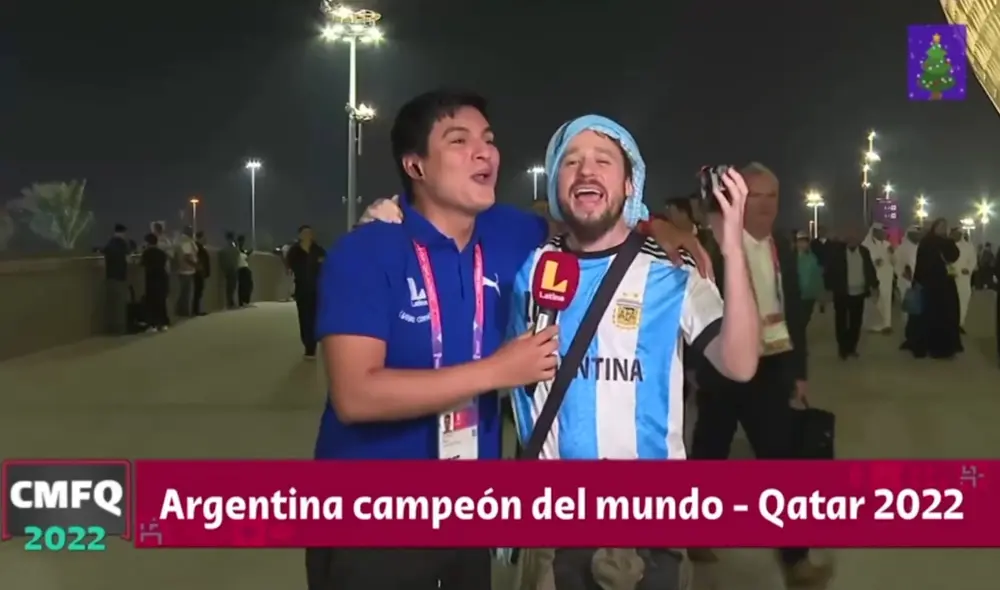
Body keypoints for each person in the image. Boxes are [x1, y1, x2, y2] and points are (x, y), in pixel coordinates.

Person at [313, 90, 704, 590]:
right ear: (415, 165)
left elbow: (593, 218)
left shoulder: (511, 234)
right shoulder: (366, 253)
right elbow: (355, 395)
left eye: (489, 140)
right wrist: (499, 372)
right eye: (459, 140)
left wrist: (657, 225)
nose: (485, 153)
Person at [507, 116, 759, 590]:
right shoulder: (526, 267)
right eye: (571, 162)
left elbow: (741, 363)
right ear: (556, 180)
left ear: (629, 183)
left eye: (603, 161)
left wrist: (731, 245)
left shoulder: (670, 272)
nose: (586, 171)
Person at [690, 163, 829, 585]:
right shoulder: (712, 249)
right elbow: (694, 312)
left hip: (771, 369)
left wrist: (799, 372)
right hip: (722, 370)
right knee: (709, 456)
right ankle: (695, 532)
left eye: (773, 197)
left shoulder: (781, 247)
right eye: (757, 197)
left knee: (783, 461)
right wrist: (697, 368)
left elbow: (795, 315)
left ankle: (796, 559)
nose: (766, 207)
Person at [904, 218, 962, 359]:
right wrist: (917, 282)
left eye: (944, 226)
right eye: (940, 226)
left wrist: (948, 242)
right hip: (928, 285)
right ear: (934, 227)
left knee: (945, 316)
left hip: (945, 286)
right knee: (926, 316)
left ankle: (943, 348)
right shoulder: (926, 242)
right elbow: (921, 263)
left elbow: (954, 256)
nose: (942, 228)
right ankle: (923, 345)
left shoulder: (948, 243)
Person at [825, 226, 878, 359]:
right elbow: (829, 271)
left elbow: (869, 269)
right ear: (846, 239)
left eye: (855, 237)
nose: (853, 240)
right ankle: (842, 349)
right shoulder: (837, 252)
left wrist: (874, 285)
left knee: (856, 322)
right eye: (850, 237)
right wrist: (828, 289)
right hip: (842, 292)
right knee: (841, 321)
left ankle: (852, 348)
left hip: (859, 292)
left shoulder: (864, 252)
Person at [285, 225, 326, 359]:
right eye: (305, 233)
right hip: (301, 289)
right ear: (300, 235)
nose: (308, 235)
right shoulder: (294, 251)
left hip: (316, 289)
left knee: (314, 317)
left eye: (310, 233)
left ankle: (312, 345)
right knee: (304, 317)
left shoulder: (319, 250)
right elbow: (289, 266)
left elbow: (327, 267)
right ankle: (307, 344)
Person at [861, 222, 894, 334]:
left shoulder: (887, 244)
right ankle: (873, 325)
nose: (883, 233)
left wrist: (892, 253)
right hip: (874, 277)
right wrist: (875, 261)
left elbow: (894, 261)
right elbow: (864, 261)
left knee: (886, 300)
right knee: (875, 300)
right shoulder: (866, 245)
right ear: (874, 232)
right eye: (880, 231)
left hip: (887, 277)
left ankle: (886, 324)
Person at [103, 223, 130, 335]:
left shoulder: (109, 244)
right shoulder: (123, 244)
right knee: (120, 305)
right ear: (123, 232)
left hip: (110, 276)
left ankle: (111, 328)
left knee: (112, 304)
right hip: (120, 276)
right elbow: (128, 259)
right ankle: (120, 329)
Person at [140, 233, 170, 332]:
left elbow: (142, 264)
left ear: (148, 242)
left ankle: (153, 325)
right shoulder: (162, 253)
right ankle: (164, 323)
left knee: (152, 302)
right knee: (161, 301)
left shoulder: (147, 253)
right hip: (162, 278)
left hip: (152, 279)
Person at [795, 230, 824, 329]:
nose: (802, 244)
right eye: (800, 241)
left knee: (805, 319)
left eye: (805, 241)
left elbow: (818, 277)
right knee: (797, 321)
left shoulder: (812, 258)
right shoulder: (791, 258)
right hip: (796, 295)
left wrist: (820, 296)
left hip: (809, 295)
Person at [952, 228, 977, 331]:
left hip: (964, 278)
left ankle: (960, 323)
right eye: (954, 234)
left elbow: (973, 260)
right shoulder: (947, 246)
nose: (955, 236)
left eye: (957, 234)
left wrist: (969, 269)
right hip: (951, 278)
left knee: (963, 300)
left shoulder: (968, 247)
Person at [174, 226, 198, 317]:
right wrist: (196, 265)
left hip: (185, 270)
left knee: (185, 292)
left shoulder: (183, 241)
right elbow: (186, 257)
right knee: (185, 293)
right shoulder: (186, 242)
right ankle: (183, 312)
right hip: (187, 270)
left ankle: (183, 311)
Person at [895, 226, 921, 306]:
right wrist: (903, 273)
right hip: (906, 282)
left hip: (919, 282)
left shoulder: (919, 247)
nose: (918, 236)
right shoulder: (901, 248)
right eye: (915, 234)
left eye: (918, 234)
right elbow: (896, 265)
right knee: (908, 308)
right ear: (909, 235)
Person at [192, 231, 211, 316]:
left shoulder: (199, 248)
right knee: (197, 292)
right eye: (204, 238)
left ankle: (196, 310)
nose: (205, 239)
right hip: (198, 273)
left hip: (200, 272)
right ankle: (195, 310)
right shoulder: (197, 248)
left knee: (198, 292)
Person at [219, 231, 240, 308]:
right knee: (231, 287)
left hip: (229, 269)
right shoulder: (231, 248)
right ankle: (230, 302)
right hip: (232, 269)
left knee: (231, 286)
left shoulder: (226, 248)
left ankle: (230, 302)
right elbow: (237, 254)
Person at [236, 235, 253, 306]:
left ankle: (244, 301)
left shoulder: (241, 250)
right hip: (242, 268)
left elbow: (244, 256)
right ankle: (243, 301)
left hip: (244, 268)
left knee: (247, 285)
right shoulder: (237, 250)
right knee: (243, 286)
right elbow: (241, 256)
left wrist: (248, 253)